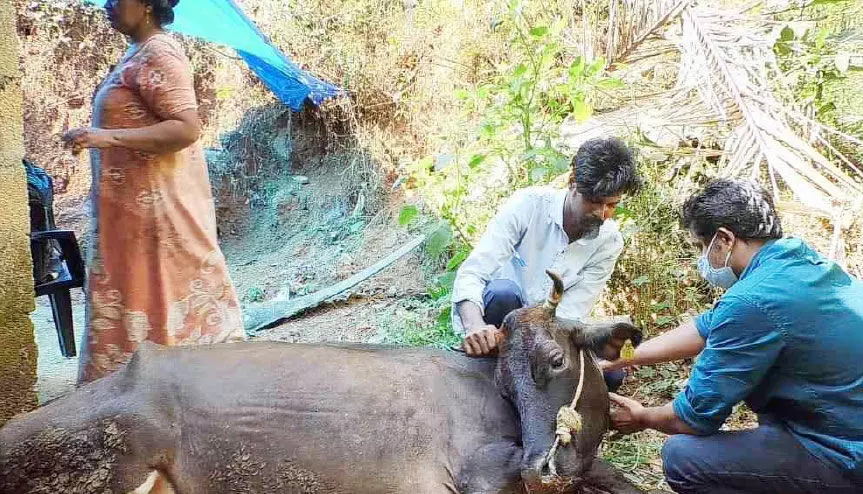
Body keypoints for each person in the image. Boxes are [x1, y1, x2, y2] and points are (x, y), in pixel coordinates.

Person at [605, 179, 863, 493]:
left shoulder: (752, 300)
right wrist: (621, 357)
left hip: (845, 453)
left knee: (683, 458)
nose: (702, 259)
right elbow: (703, 329)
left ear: (725, 239)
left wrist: (642, 417)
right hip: (841, 422)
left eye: (701, 247)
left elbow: (693, 418)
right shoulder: (797, 263)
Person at [62, 0, 244, 384]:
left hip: (157, 218)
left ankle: (169, 393)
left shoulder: (159, 52)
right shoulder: (138, 53)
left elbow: (186, 128)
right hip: (132, 219)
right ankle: (137, 394)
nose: (108, 5)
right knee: (142, 300)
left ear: (146, 4)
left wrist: (107, 137)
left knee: (163, 300)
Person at [452, 137, 642, 389]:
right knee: (502, 293)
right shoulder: (528, 205)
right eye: (595, 202)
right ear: (572, 183)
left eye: (612, 205)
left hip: (550, 332)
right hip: (500, 321)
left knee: (611, 376)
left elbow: (571, 312)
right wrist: (475, 325)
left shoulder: (609, 242)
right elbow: (474, 272)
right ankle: (488, 365)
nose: (602, 213)